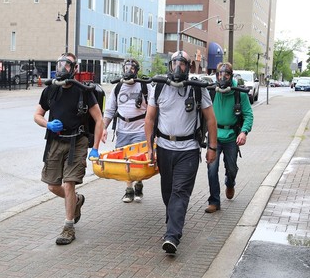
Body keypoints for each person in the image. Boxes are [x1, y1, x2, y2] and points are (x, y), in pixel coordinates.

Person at [144, 50, 217, 254]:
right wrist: (150, 147)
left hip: (189, 150)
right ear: (169, 65)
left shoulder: (197, 88)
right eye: (174, 62)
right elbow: (149, 119)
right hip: (165, 149)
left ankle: (172, 236)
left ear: (189, 66)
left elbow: (211, 120)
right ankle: (172, 225)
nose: (178, 67)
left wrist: (212, 147)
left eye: (182, 63)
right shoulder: (158, 87)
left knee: (180, 192)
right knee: (167, 192)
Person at [34, 52, 103, 245]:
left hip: (77, 142)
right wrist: (47, 124)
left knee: (69, 183)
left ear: (75, 69)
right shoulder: (50, 90)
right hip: (55, 141)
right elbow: (37, 115)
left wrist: (95, 147)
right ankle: (77, 201)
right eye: (59, 64)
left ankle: (68, 227)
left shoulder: (84, 91)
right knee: (53, 186)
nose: (62, 68)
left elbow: (99, 120)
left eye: (67, 65)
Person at [102, 58, 153, 203]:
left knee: (137, 160)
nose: (128, 71)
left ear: (136, 71)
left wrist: (154, 132)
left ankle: (138, 184)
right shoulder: (118, 88)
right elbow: (110, 110)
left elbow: (154, 110)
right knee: (125, 162)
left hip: (140, 130)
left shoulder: (146, 87)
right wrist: (103, 128)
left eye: (132, 68)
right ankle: (129, 189)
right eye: (126, 68)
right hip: (123, 130)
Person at [205, 62, 254, 213]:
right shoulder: (212, 91)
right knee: (211, 169)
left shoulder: (239, 93)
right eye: (220, 74)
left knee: (231, 168)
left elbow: (248, 115)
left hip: (232, 137)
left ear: (231, 76)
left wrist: (243, 132)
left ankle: (230, 182)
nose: (223, 77)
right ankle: (214, 201)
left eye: (226, 74)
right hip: (214, 136)